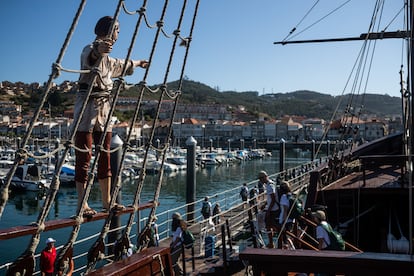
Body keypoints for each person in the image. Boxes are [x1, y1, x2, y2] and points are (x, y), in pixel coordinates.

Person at [73, 16, 149, 216]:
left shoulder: (110, 59)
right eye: (117, 29)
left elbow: (122, 64)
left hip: (104, 108)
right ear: (109, 30)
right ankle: (83, 203)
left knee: (105, 155)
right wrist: (99, 50)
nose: (118, 34)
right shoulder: (89, 49)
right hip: (87, 106)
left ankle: (107, 201)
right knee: (84, 155)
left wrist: (139, 63)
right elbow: (90, 57)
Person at [259, 170, 280, 249]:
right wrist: (265, 204)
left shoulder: (270, 185)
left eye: (261, 178)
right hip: (272, 208)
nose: (260, 180)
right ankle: (271, 243)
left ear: (265, 177)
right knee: (268, 225)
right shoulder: (269, 184)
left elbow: (273, 199)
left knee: (271, 225)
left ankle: (274, 243)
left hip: (274, 209)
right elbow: (270, 199)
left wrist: (268, 210)